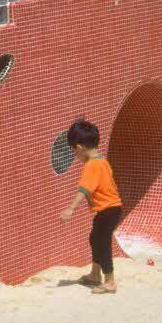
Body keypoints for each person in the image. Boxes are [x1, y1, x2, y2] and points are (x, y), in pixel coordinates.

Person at [59, 119, 123, 294]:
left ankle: (110, 281)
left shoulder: (92, 165)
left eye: (74, 152)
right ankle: (95, 274)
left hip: (108, 210)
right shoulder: (102, 161)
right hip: (110, 209)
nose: (76, 156)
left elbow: (84, 189)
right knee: (95, 238)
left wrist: (71, 208)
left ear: (79, 148)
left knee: (102, 242)